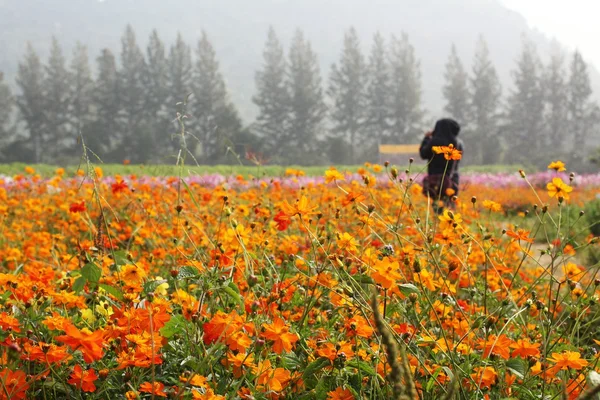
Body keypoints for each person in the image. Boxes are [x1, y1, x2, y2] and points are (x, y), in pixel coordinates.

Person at [419, 118, 463, 212]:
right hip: (452, 180)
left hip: (437, 181)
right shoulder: (458, 143)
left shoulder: (435, 142)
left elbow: (423, 154)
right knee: (450, 208)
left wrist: (426, 138)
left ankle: (437, 225)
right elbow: (458, 159)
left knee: (438, 208)